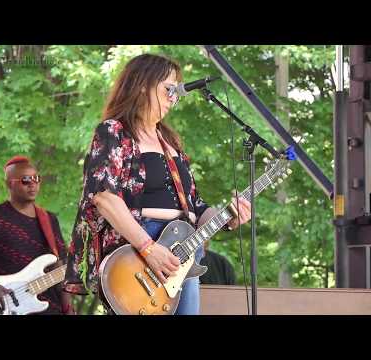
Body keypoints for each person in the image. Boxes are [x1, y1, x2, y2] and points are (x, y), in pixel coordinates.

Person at [63, 53, 251, 315]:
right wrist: (148, 247)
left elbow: (195, 205)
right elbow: (104, 196)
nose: (173, 99)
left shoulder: (170, 142)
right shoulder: (114, 131)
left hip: (183, 251)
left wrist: (228, 217)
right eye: (168, 90)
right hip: (139, 249)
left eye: (176, 93)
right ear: (142, 84)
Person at [0, 155, 74, 315]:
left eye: (36, 179)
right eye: (25, 180)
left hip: (50, 309)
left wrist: (68, 308)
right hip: (6, 307)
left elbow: (60, 269)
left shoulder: (49, 220)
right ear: (10, 184)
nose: (33, 184)